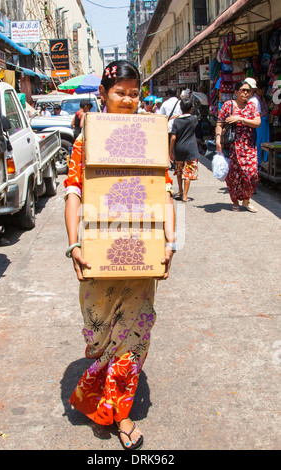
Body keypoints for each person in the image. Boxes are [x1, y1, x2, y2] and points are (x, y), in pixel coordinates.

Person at [63, 60, 175, 450]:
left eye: (134, 92)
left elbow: (163, 190)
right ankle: (98, 391)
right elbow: (74, 192)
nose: (128, 100)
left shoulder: (152, 136)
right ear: (104, 95)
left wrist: (169, 243)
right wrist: (75, 244)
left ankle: (121, 413)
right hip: (99, 256)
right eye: (119, 92)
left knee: (133, 337)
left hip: (141, 257)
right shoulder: (85, 141)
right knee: (99, 335)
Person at [215, 80, 261, 212]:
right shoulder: (228, 105)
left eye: (248, 90)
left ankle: (246, 201)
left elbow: (257, 122)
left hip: (249, 146)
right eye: (242, 90)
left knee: (252, 175)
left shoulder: (251, 106)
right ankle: (235, 201)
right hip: (233, 147)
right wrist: (218, 140)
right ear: (236, 92)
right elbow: (219, 123)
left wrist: (240, 119)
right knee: (233, 176)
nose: (245, 93)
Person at [169, 98, 199, 202]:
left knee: (179, 171)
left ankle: (180, 191)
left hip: (179, 150)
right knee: (188, 173)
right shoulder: (194, 119)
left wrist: (170, 151)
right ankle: (185, 196)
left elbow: (173, 137)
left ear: (180, 108)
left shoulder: (176, 121)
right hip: (191, 150)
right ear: (191, 109)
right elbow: (194, 115)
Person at [255, 80, 270, 167]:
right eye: (263, 90)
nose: (264, 92)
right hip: (260, 120)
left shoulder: (262, 98)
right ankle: (259, 161)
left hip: (265, 120)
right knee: (260, 140)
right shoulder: (255, 99)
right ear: (259, 90)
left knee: (266, 140)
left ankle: (265, 159)